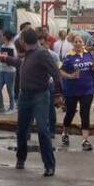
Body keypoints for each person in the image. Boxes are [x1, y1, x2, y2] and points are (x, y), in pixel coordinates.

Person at [14, 27, 63, 176]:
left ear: (23, 41)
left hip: (39, 95)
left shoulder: (42, 54)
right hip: (25, 96)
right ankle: (21, 158)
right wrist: (5, 58)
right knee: (22, 130)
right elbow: (19, 63)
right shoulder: (28, 55)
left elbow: (55, 73)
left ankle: (49, 165)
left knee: (43, 130)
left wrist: (58, 94)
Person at [59, 33, 94, 151]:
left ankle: (85, 140)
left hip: (87, 89)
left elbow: (92, 69)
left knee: (85, 114)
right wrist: (70, 76)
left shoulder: (88, 54)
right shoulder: (68, 57)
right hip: (72, 90)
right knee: (70, 112)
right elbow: (61, 71)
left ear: (83, 43)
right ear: (72, 43)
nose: (78, 43)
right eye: (76, 41)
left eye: (80, 41)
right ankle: (65, 133)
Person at [0, 28, 19, 113]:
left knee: (9, 89)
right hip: (2, 70)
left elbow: (15, 59)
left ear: (6, 37)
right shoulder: (2, 46)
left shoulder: (13, 47)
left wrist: (4, 57)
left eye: (2, 36)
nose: (1, 37)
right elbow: (0, 59)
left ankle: (12, 106)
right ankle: (1, 106)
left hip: (10, 71)